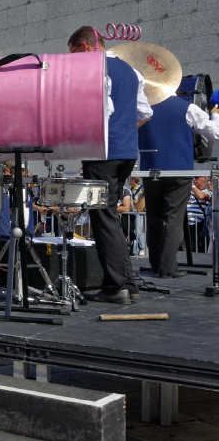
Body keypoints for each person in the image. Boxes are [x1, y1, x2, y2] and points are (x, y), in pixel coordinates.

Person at [68, 26, 153, 304]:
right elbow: (145, 113)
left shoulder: (93, 69)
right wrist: (122, 132)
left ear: (83, 46)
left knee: (102, 217)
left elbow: (94, 109)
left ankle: (115, 286)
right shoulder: (131, 71)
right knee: (111, 217)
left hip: (102, 152)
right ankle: (128, 283)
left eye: (73, 54)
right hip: (126, 151)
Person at [137, 89, 219, 277]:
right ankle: (168, 268)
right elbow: (214, 132)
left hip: (150, 168)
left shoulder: (142, 107)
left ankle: (156, 264)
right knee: (173, 218)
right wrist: (215, 114)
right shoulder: (187, 107)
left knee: (155, 217)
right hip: (179, 170)